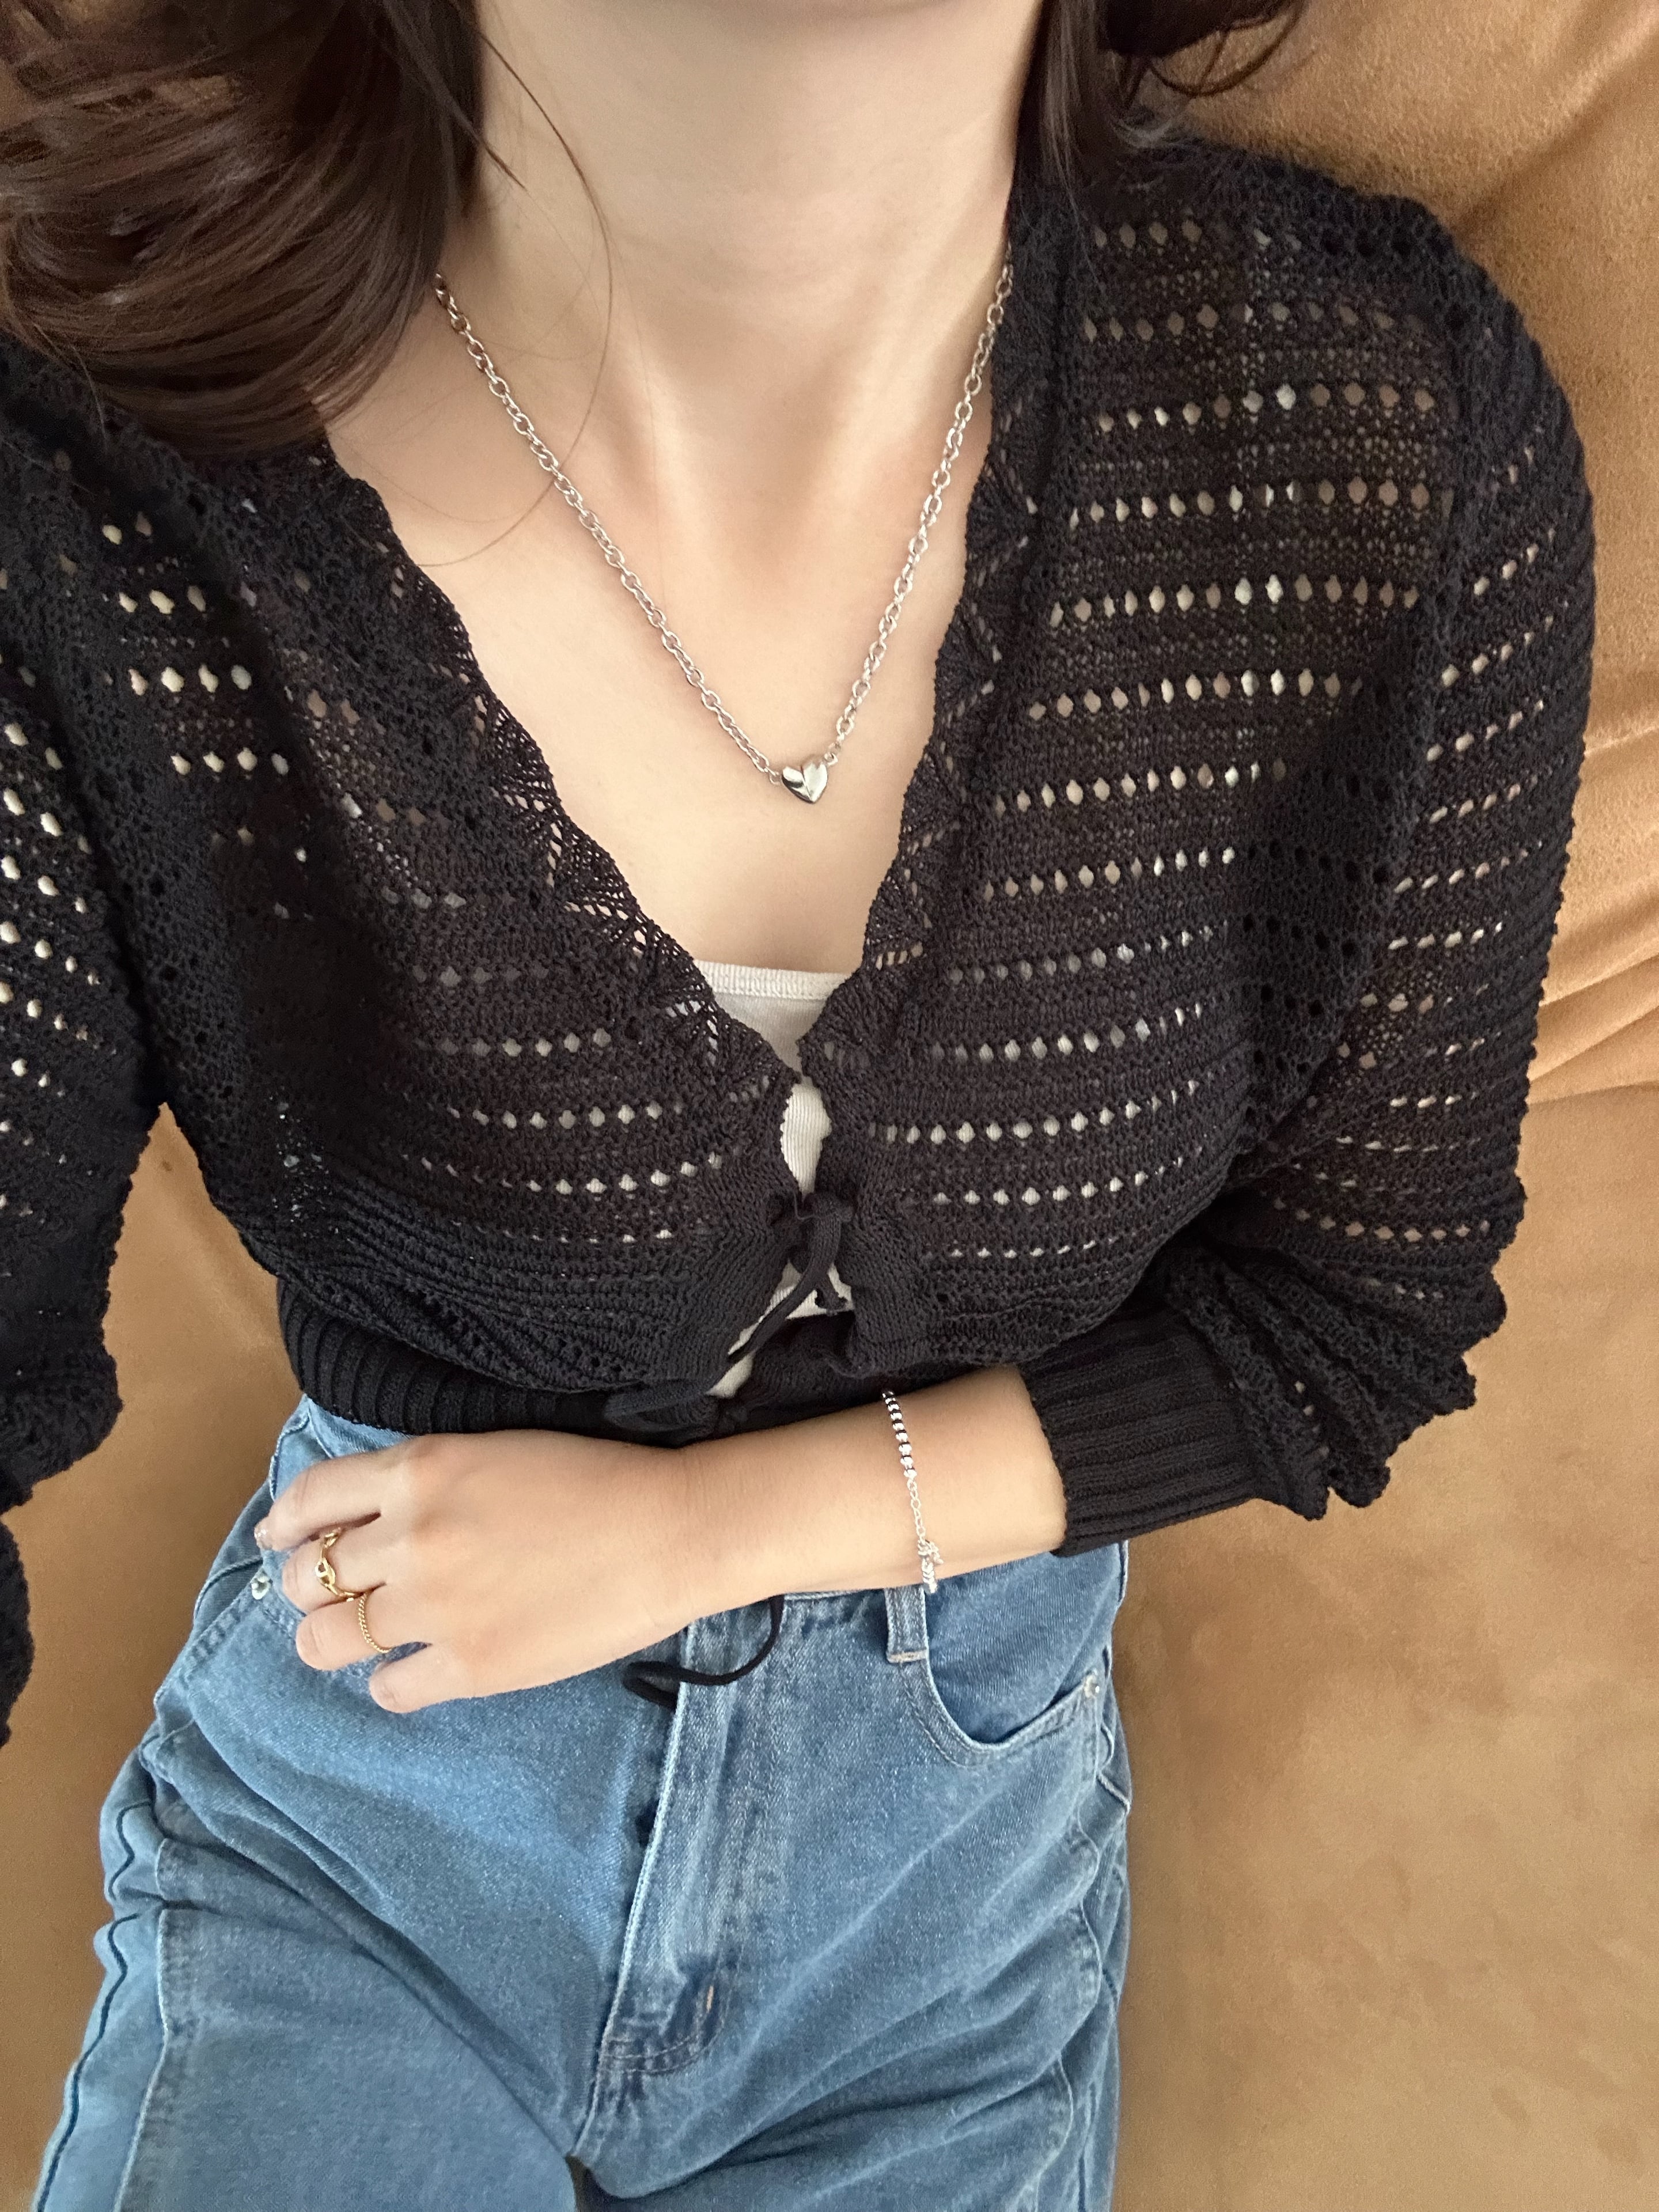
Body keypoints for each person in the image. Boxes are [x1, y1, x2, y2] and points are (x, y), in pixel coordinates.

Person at [1, 0, 1592, 2205]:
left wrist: (706, 1539)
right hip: (370, 1808)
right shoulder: (99, 486)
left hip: (941, 1900)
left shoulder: (1390, 440)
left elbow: (1346, 1321)